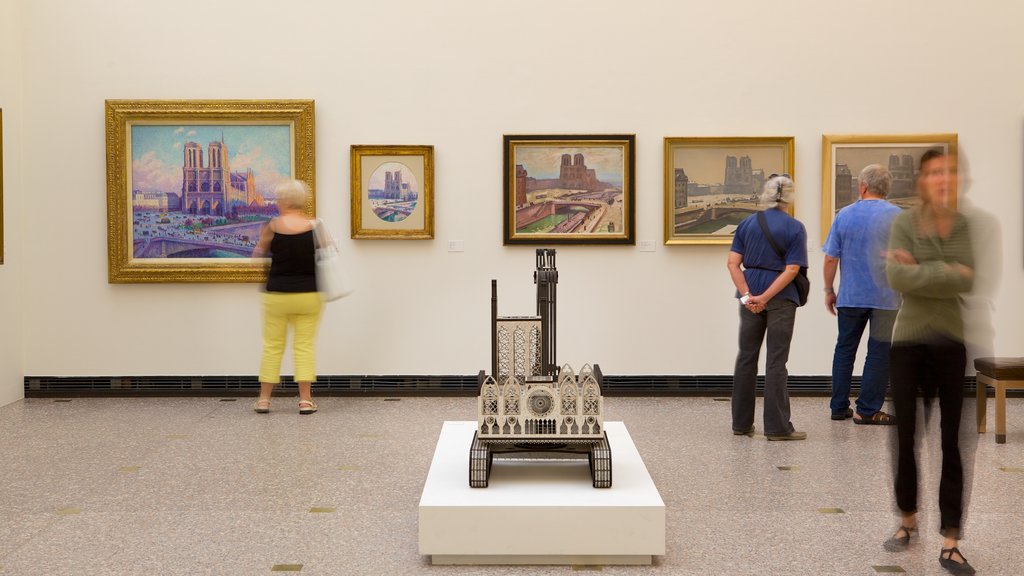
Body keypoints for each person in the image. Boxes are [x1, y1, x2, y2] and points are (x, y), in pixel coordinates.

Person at [883, 150, 975, 575]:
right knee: (906, 437)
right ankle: (907, 520)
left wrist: (920, 267)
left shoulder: (963, 225)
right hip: (908, 341)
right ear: (922, 179)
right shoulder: (903, 222)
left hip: (951, 341)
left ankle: (951, 540)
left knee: (951, 442)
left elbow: (970, 276)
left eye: (949, 172)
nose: (943, 179)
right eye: (935, 172)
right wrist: (943, 271)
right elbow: (898, 279)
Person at [727, 174, 808, 441]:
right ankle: (776, 428)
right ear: (790, 197)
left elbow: (732, 264)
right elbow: (792, 269)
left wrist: (749, 295)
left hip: (749, 295)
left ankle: (741, 423)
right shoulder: (795, 227)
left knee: (746, 358)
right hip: (782, 297)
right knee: (776, 362)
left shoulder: (747, 223)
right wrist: (766, 297)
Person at [823, 164, 901, 424]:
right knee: (878, 353)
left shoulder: (844, 215)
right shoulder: (898, 216)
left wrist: (828, 290)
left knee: (844, 350)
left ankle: (838, 407)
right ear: (886, 188)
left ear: (863, 186)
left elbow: (831, 259)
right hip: (886, 299)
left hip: (851, 296)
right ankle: (866, 411)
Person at [252, 179, 323, 415]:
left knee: (272, 347)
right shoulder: (316, 226)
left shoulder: (271, 226)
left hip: (277, 294)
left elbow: (256, 257)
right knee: (303, 347)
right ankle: (305, 401)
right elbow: (330, 254)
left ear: (283, 201)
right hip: (308, 294)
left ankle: (264, 400)